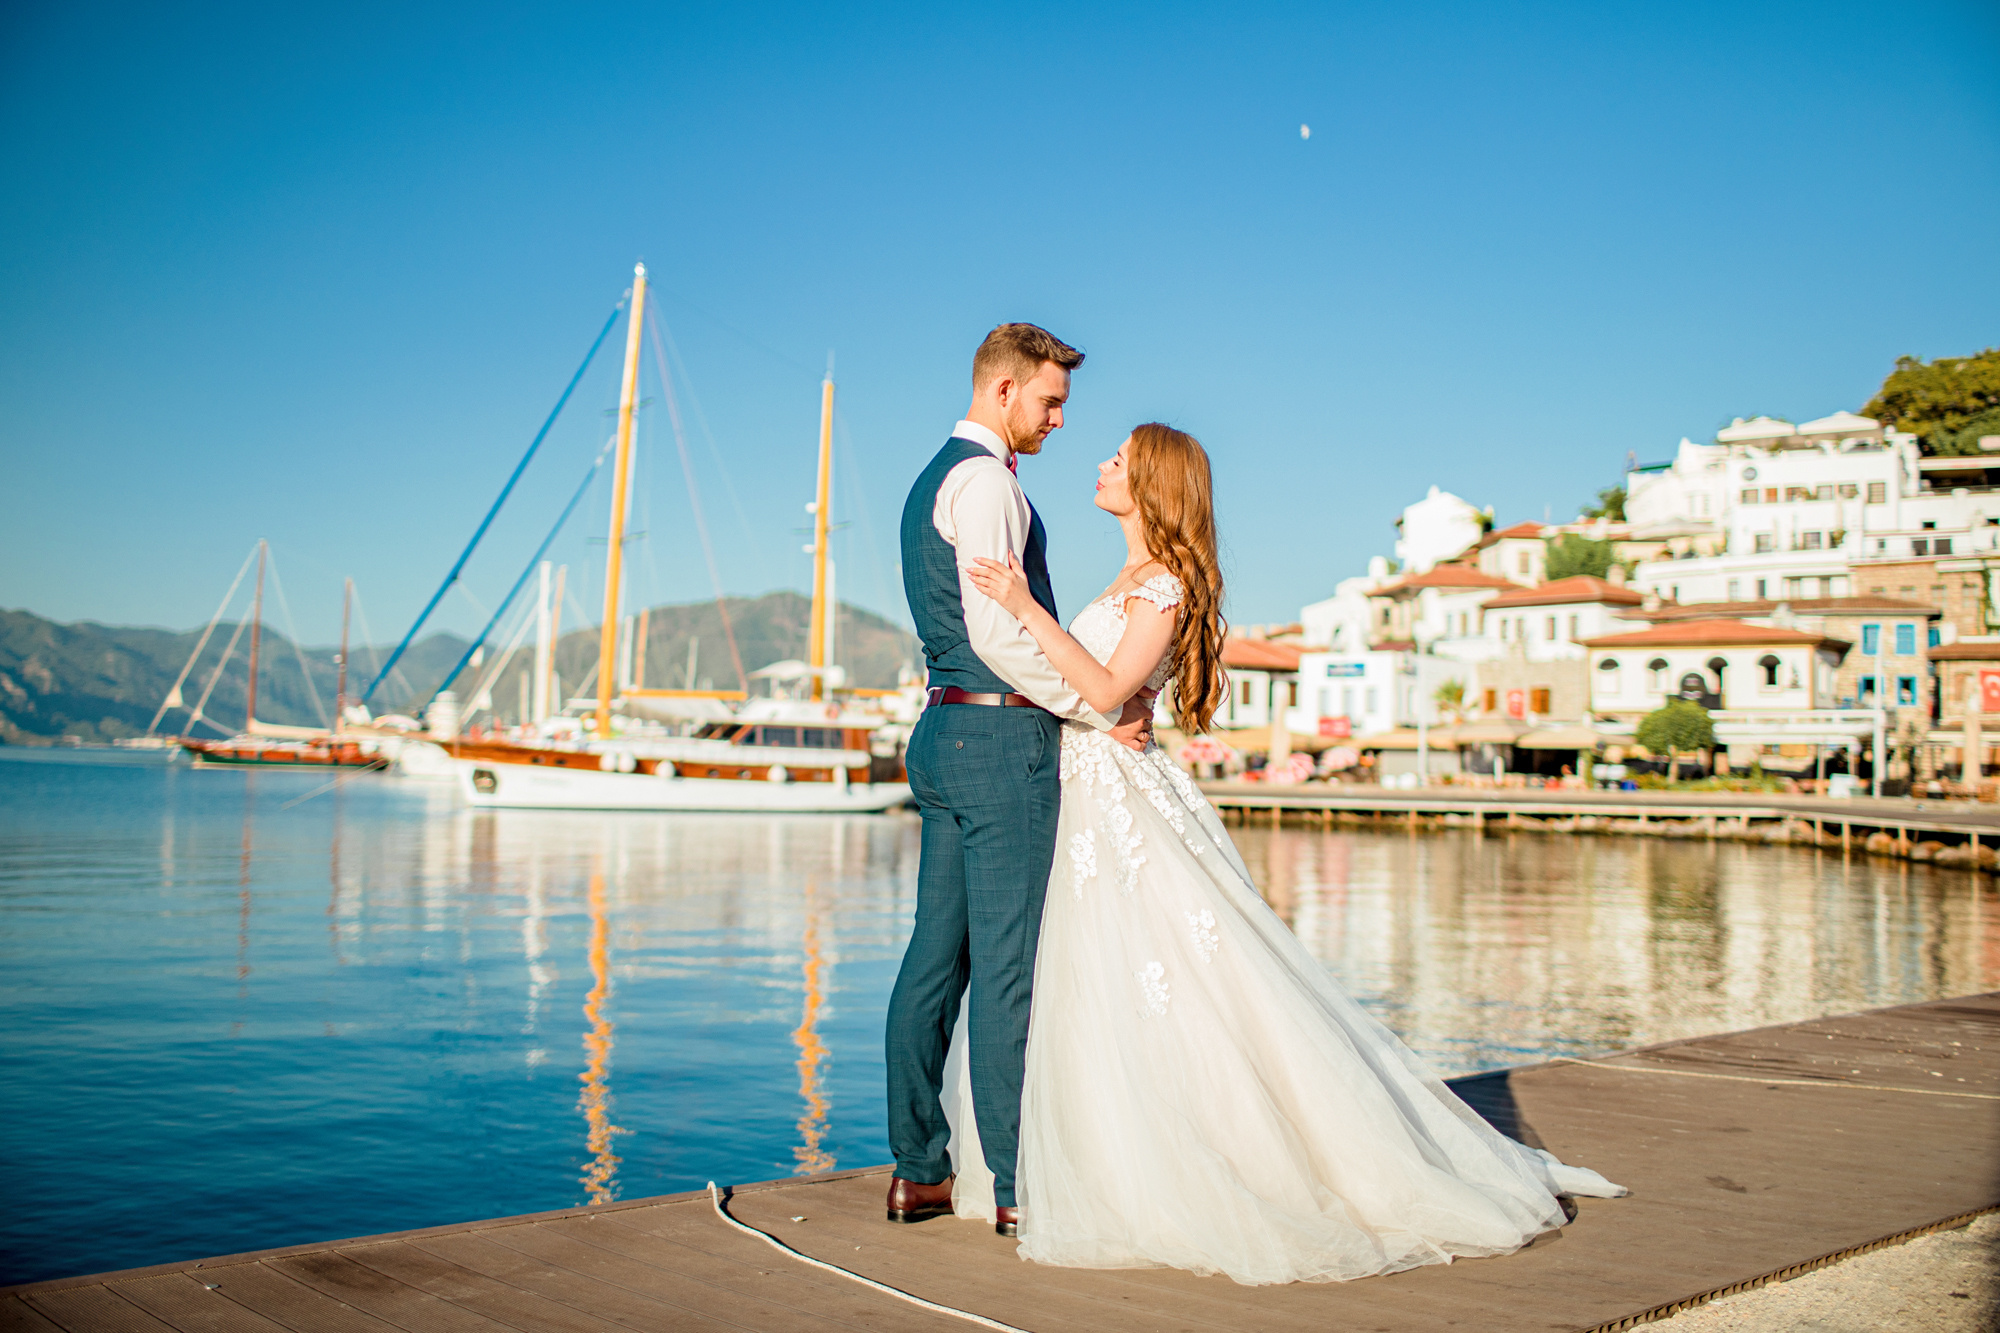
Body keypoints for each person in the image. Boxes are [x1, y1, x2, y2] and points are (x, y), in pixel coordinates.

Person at [946, 422, 1626, 1285]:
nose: (1102, 464)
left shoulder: (1165, 582)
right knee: (1090, 976)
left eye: (1119, 457)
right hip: (1084, 785)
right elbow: (1096, 692)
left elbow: (1111, 687)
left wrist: (1024, 608)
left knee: (1162, 973)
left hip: (1116, 795)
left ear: (1152, 482)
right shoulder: (1127, 575)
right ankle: (1081, 1152)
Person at [883, 323, 1155, 1240]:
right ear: (1004, 390)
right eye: (1050, 401)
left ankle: (918, 1170)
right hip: (1000, 739)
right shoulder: (988, 483)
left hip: (941, 728)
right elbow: (999, 633)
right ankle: (1014, 1181)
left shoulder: (932, 479)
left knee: (934, 961)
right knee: (1007, 968)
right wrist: (1095, 708)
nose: (1059, 420)